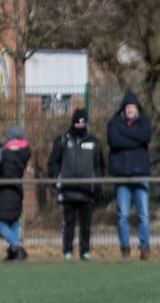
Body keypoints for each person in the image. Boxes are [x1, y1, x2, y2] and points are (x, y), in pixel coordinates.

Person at [49, 109, 103, 261]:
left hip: (87, 190)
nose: (79, 126)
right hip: (68, 189)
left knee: (86, 224)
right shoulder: (62, 141)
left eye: (82, 123)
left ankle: (85, 251)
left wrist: (97, 186)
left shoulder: (94, 142)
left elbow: (99, 166)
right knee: (68, 223)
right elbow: (53, 162)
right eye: (77, 123)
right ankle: (67, 251)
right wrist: (56, 180)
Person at [107, 90, 153, 259]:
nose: (130, 110)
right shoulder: (114, 123)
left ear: (137, 108)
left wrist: (126, 137)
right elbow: (114, 141)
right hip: (121, 175)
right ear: (123, 109)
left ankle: (145, 247)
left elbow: (145, 136)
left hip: (140, 173)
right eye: (127, 107)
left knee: (143, 214)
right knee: (123, 214)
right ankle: (125, 248)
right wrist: (135, 140)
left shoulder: (145, 122)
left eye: (132, 107)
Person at [0, 125, 31, 261]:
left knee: (0, 222)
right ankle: (15, 252)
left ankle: (17, 247)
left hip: (4, 189)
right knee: (13, 221)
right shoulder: (24, 152)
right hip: (17, 189)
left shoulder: (4, 151)